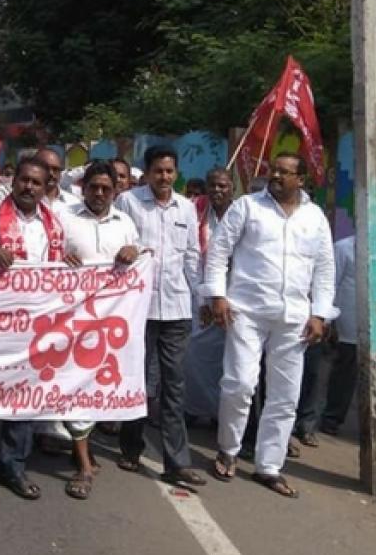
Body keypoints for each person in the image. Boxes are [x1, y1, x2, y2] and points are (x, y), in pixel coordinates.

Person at [204, 152, 335, 498]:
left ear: (301, 179)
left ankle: (269, 466)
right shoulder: (247, 207)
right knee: (240, 383)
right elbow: (219, 252)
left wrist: (320, 314)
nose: (276, 176)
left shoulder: (315, 218)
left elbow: (324, 269)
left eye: (285, 172)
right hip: (246, 311)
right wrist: (217, 296)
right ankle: (229, 450)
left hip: (294, 318)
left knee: (285, 396)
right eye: (273, 170)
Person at [0, 157, 76, 500]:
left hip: (35, 322)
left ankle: (13, 465)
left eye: (36, 183)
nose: (29, 187)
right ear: (14, 181)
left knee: (24, 393)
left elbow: (55, 267)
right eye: (24, 180)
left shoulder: (54, 224)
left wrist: (69, 263)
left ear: (46, 187)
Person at [114, 145, 206, 487]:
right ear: (147, 172)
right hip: (140, 308)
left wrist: (202, 299)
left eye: (169, 171)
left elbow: (192, 257)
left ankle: (177, 462)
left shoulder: (186, 207)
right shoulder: (130, 202)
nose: (164, 177)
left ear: (176, 172)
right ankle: (130, 446)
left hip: (178, 308)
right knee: (137, 379)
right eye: (158, 171)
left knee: (174, 384)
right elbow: (119, 246)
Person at [57, 161, 140, 500]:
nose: (101, 193)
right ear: (83, 187)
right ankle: (83, 463)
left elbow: (142, 259)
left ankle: (81, 452)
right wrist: (62, 258)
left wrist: (136, 251)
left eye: (107, 188)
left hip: (111, 321)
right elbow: (46, 257)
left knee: (94, 386)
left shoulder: (126, 223)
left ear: (116, 191)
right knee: (73, 384)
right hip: (69, 318)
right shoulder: (65, 220)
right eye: (95, 187)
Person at [183, 168, 235, 422]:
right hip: (203, 298)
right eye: (212, 185)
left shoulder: (242, 216)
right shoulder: (197, 216)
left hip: (235, 298)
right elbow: (192, 257)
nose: (217, 190)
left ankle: (228, 417)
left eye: (223, 186)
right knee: (196, 356)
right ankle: (201, 410)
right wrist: (204, 298)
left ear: (232, 188)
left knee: (233, 362)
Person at [318, 235, 358, 437]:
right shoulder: (344, 248)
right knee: (345, 373)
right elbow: (330, 284)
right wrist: (327, 319)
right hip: (349, 323)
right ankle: (331, 418)